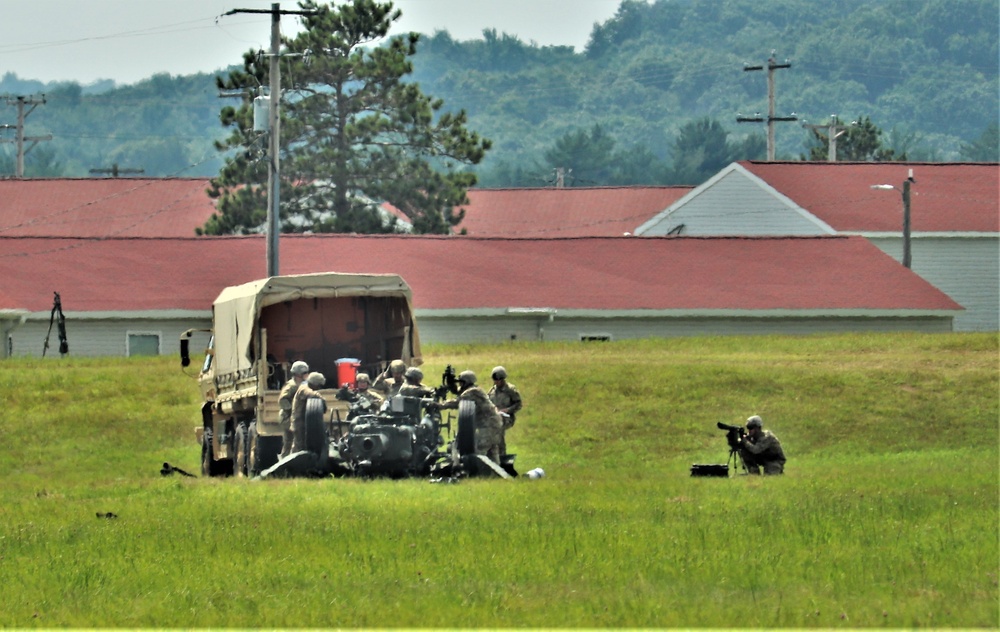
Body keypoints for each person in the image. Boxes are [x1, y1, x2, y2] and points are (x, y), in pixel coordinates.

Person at [436, 370, 503, 463]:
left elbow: (458, 402)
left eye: (461, 383)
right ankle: (496, 474)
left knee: (479, 449)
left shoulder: (473, 391)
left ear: (466, 382)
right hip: (494, 424)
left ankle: (478, 471)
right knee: (492, 451)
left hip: (488, 425)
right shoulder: (475, 391)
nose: (459, 385)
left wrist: (439, 405)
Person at [487, 365, 522, 457]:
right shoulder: (492, 391)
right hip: (494, 417)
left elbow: (518, 404)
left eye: (499, 380)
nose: (496, 382)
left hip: (507, 418)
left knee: (498, 428)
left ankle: (502, 454)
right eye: (495, 380)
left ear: (503, 379)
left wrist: (507, 410)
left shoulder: (510, 390)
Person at [278, 360, 309, 459]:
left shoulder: (302, 385)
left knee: (291, 442)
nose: (307, 375)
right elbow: (282, 400)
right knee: (292, 441)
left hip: (295, 417)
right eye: (304, 373)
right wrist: (293, 410)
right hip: (288, 418)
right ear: (298, 374)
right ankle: (288, 461)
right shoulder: (291, 385)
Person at [290, 372, 326, 454]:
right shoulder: (304, 388)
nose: (318, 388)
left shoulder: (305, 387)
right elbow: (312, 394)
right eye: (318, 385)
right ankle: (293, 464)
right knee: (299, 446)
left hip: (304, 422)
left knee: (304, 445)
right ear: (314, 383)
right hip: (299, 422)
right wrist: (322, 400)